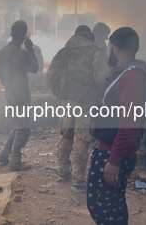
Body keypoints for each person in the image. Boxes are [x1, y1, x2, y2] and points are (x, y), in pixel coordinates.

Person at [87, 27, 146, 225]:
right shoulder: (127, 73)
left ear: (114, 48)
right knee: (106, 204)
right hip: (110, 148)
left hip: (112, 151)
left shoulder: (132, 77)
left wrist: (114, 160)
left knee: (106, 207)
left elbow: (130, 124)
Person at [48, 25, 108, 193]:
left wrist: (59, 94)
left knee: (66, 135)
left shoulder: (63, 52)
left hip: (65, 101)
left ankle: (63, 171)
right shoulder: (95, 52)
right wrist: (101, 97)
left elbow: (51, 76)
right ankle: (78, 180)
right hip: (85, 102)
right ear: (89, 37)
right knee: (81, 139)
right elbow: (101, 78)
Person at [0, 20, 39, 170]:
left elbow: (1, 77)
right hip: (21, 93)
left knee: (18, 125)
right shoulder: (22, 53)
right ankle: (15, 160)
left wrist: (9, 87)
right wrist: (31, 50)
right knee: (24, 128)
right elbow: (35, 68)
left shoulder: (1, 52)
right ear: (24, 35)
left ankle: (4, 154)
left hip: (10, 92)